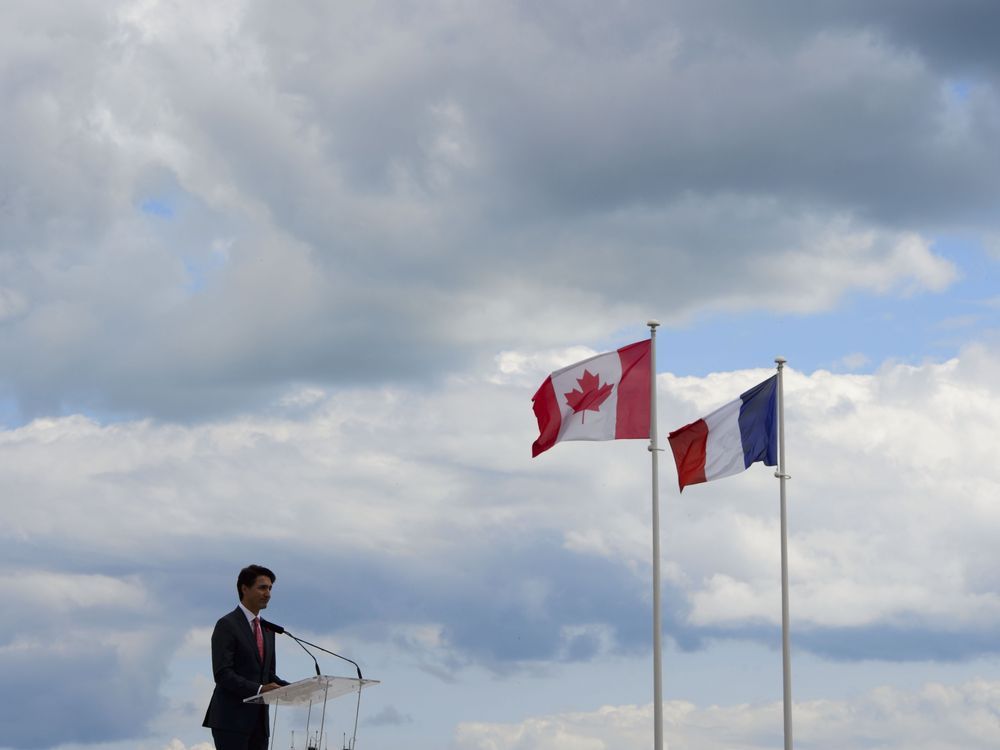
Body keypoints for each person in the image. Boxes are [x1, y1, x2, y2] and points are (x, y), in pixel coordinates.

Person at [203, 564, 290, 750]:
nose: (268, 593)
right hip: (231, 721)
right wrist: (260, 689)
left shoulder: (267, 629)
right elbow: (223, 673)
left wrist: (295, 688)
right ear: (244, 588)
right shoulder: (227, 625)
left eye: (270, 588)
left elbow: (267, 674)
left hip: (259, 723)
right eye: (262, 587)